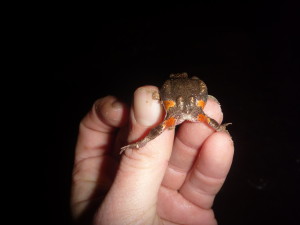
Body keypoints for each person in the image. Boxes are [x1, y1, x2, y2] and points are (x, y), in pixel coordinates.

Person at [71, 85, 234, 225]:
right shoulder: (187, 112)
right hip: (183, 104)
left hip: (186, 104)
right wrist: (140, 143)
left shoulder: (190, 112)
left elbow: (165, 125)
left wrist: (140, 143)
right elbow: (202, 118)